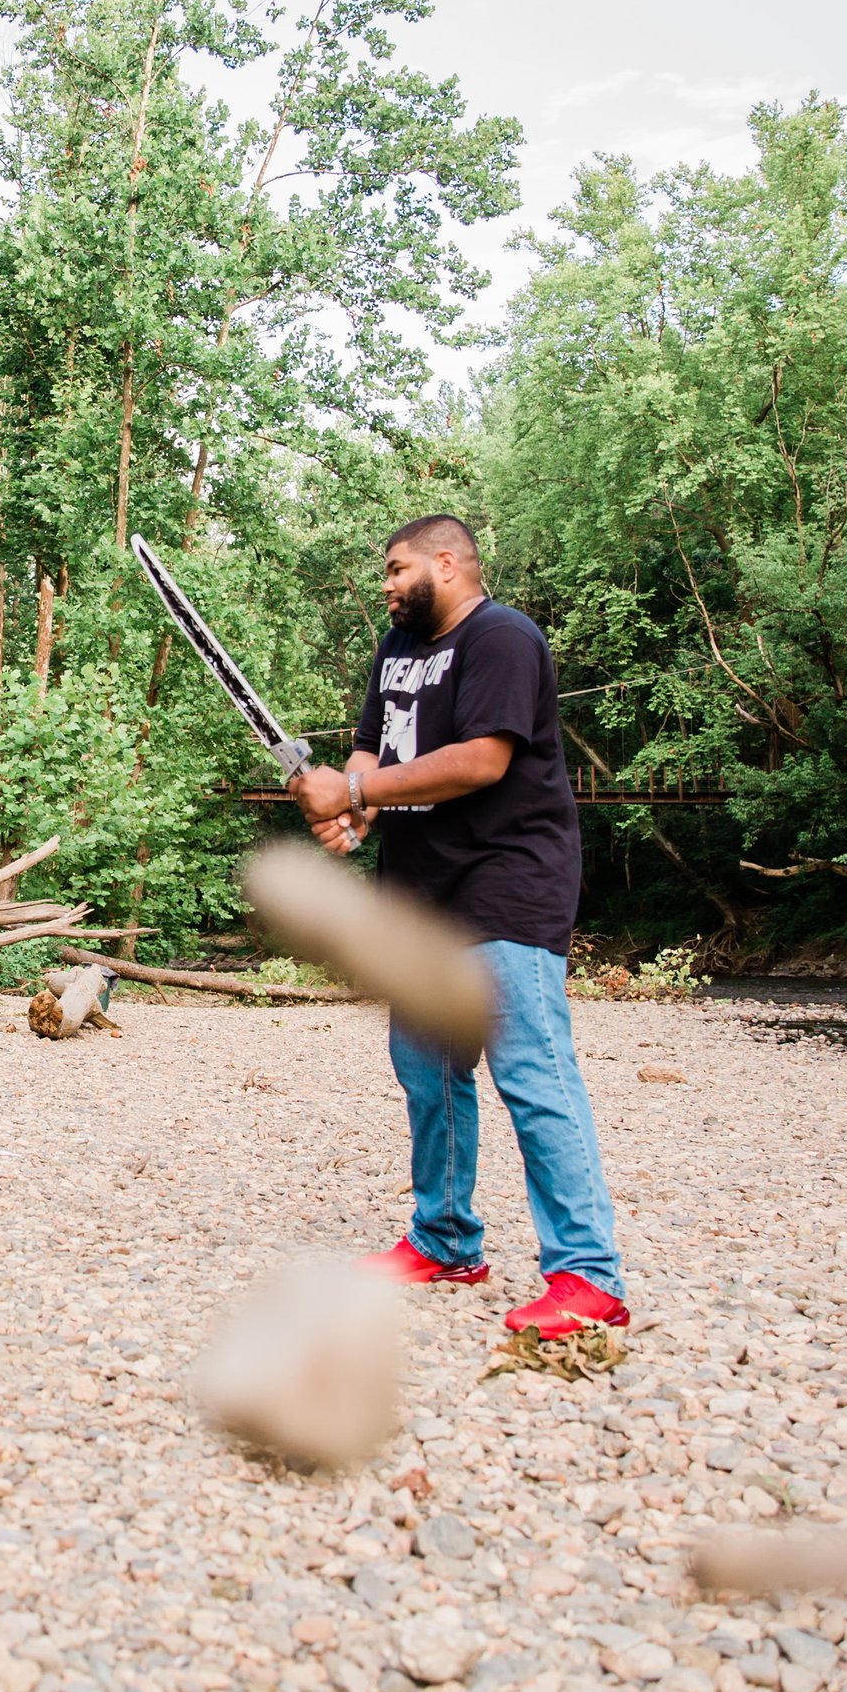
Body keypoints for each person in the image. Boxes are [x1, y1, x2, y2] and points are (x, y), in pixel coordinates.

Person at [286, 514, 626, 1339]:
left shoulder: (503, 638)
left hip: (508, 883)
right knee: (426, 1068)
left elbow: (483, 759)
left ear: (449, 561)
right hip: (422, 896)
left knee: (532, 1074)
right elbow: (371, 749)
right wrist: (351, 815)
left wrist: (356, 796)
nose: (387, 584)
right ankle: (445, 1241)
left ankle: (588, 1277)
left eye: (398, 568)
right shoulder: (396, 648)